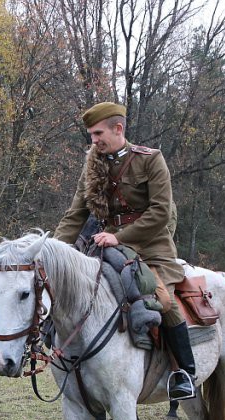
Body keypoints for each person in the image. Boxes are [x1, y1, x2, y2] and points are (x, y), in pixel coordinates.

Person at [54, 102, 196, 400]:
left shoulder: (150, 160)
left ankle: (184, 372)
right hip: (105, 246)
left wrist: (120, 237)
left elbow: (160, 213)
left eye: (98, 133)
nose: (93, 140)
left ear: (118, 129)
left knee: (164, 301)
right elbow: (75, 215)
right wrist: (53, 250)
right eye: (91, 135)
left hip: (151, 247)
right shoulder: (92, 165)